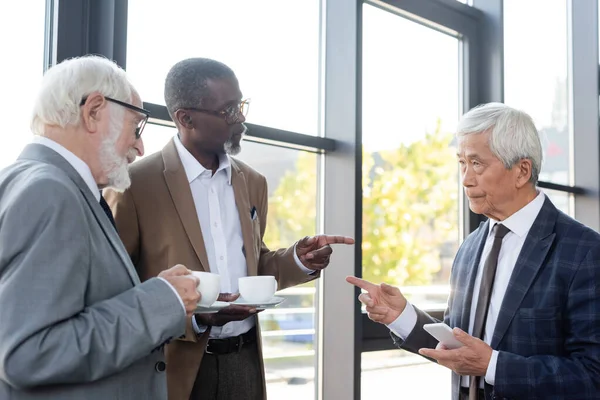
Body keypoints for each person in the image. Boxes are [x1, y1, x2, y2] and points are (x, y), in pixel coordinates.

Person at [104, 57, 355, 400]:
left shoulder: (252, 182)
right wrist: (193, 319)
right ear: (185, 118)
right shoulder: (132, 185)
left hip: (245, 361)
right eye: (228, 111)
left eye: (241, 106)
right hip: (173, 369)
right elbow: (116, 291)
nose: (241, 121)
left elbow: (255, 265)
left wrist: (298, 259)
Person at [347, 103, 600, 400]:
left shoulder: (584, 252)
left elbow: (592, 375)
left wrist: (493, 365)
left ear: (522, 171)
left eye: (477, 164)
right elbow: (458, 345)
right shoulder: (470, 246)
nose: (466, 179)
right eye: (462, 163)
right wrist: (401, 316)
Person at [0, 55, 202, 400]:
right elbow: (30, 354)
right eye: (135, 127)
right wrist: (161, 301)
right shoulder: (51, 192)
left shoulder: (26, 181)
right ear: (94, 111)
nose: (139, 147)